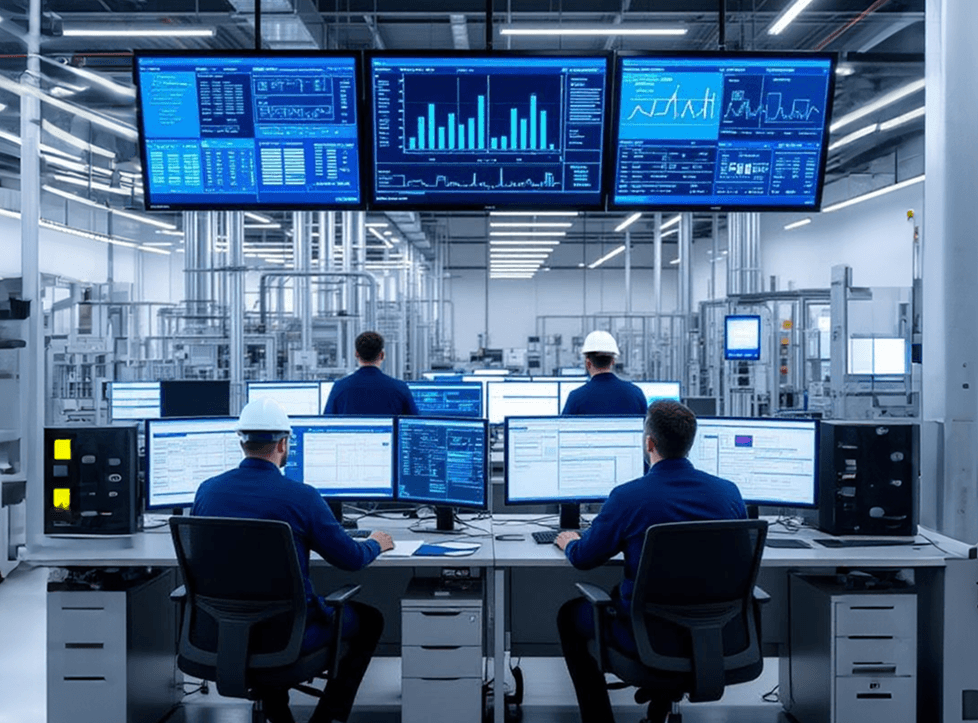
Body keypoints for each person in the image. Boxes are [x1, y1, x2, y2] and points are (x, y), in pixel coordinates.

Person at [192, 398, 395, 723]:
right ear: (284, 443)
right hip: (286, 637)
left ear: (240, 440)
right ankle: (325, 718)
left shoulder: (207, 491)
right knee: (370, 620)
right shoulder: (301, 497)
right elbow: (351, 558)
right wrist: (375, 543)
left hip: (220, 633)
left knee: (265, 606)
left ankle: (278, 713)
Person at [554, 400, 747, 723]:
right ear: (690, 441)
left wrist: (571, 543)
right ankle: (661, 701)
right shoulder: (728, 493)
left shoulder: (629, 497)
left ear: (649, 443)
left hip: (646, 635)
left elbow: (586, 559)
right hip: (716, 634)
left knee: (569, 615)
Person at [323, 331, 420, 416]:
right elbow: (414, 426)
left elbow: (326, 425)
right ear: (382, 355)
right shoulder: (400, 388)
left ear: (356, 355)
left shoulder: (339, 387)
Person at [561, 330, 647, 416]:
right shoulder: (636, 394)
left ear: (588, 363)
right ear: (613, 361)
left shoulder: (576, 398)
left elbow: (563, 427)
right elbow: (649, 427)